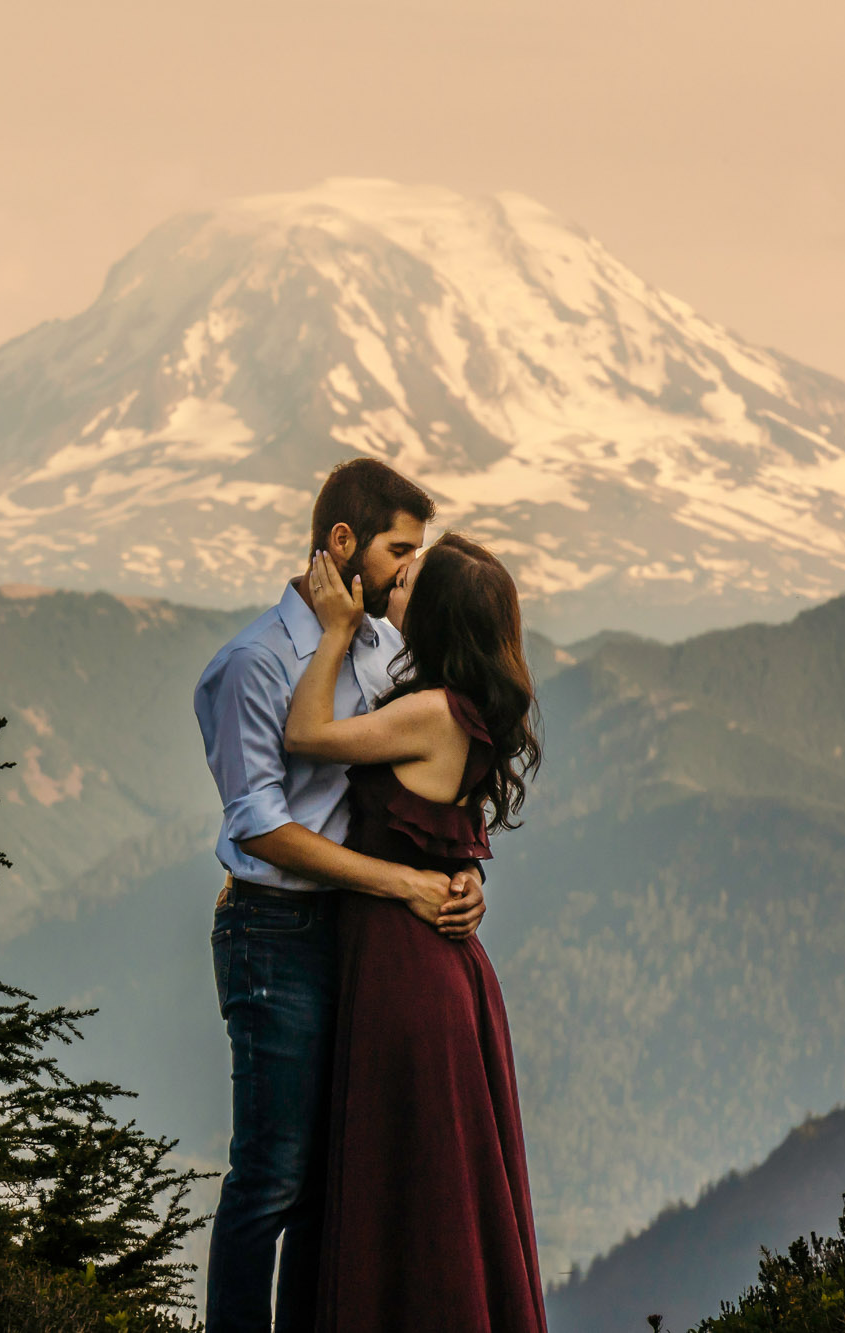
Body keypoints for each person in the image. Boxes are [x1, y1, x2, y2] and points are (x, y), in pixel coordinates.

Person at [193, 458, 488, 1333]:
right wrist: (402, 881)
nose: (409, 570)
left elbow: (422, 786)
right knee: (273, 1173)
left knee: (334, 1174)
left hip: (361, 939)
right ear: (344, 543)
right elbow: (259, 826)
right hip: (274, 930)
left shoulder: (388, 648)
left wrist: (461, 870)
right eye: (400, 549)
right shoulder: (251, 664)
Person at [286, 531, 548, 1333]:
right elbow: (447, 833)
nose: (394, 586)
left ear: (431, 617)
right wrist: (466, 879)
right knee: (439, 1185)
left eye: (409, 584)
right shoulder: (463, 710)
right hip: (438, 970)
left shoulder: (428, 712)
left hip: (405, 973)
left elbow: (305, 734)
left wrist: (333, 632)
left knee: (406, 1180)